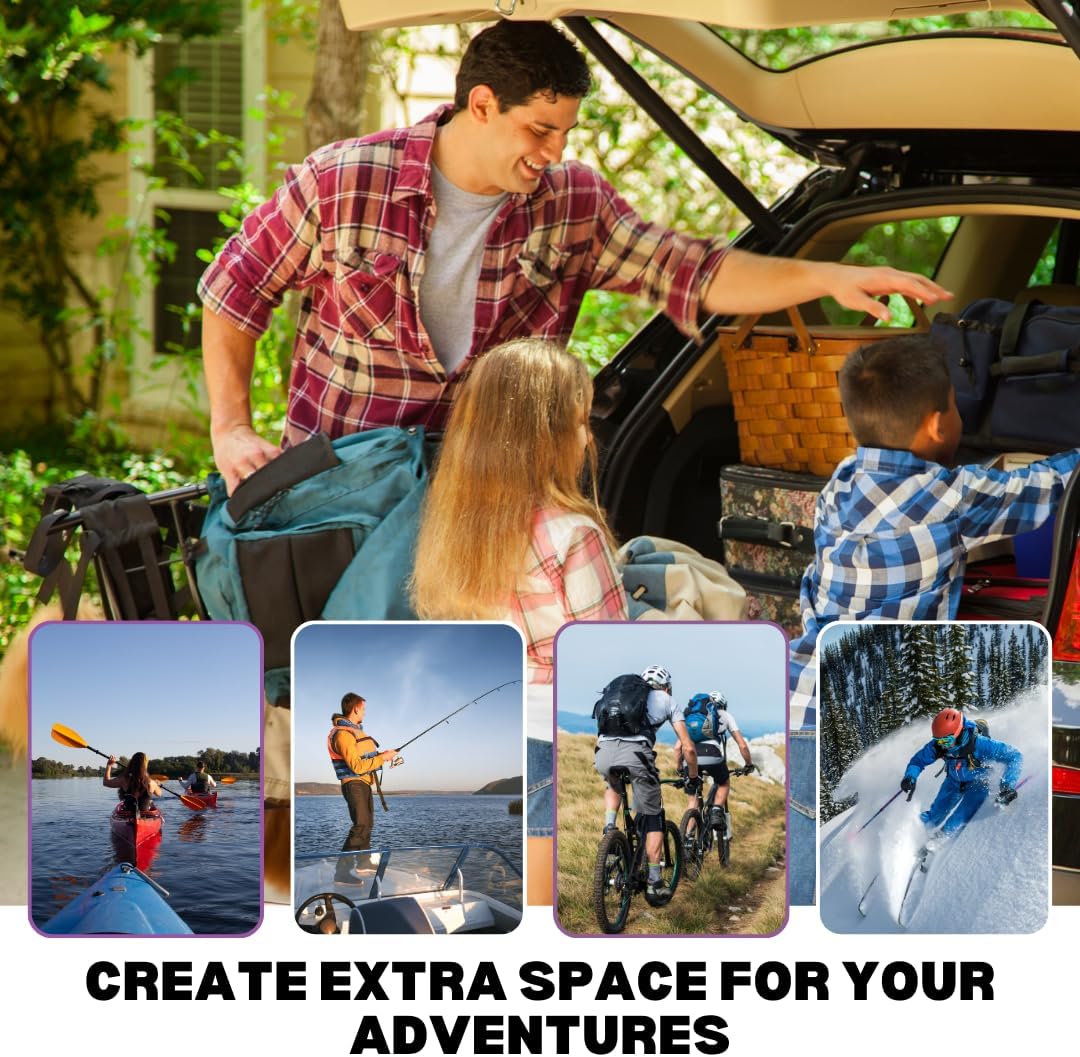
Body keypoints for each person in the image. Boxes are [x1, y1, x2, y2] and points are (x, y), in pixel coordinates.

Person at [197, 19, 951, 496]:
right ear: (482, 103)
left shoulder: (572, 205)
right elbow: (235, 291)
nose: (555, 152)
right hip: (338, 494)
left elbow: (696, 271)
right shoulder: (345, 181)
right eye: (540, 129)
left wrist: (831, 274)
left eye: (566, 132)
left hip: (484, 499)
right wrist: (230, 428)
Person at [786, 334, 1078, 902]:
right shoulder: (954, 495)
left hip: (802, 693)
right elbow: (1043, 486)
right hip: (860, 708)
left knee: (803, 859)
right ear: (939, 425)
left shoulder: (837, 486)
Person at [412, 337, 628, 905]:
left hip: (495, 721)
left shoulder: (457, 525)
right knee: (540, 873)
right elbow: (606, 654)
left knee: (505, 865)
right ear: (545, 437)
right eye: (580, 422)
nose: (588, 437)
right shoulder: (573, 534)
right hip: (551, 729)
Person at [594, 665, 699, 896]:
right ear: (666, 686)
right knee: (654, 819)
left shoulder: (619, 695)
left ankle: (609, 827)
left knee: (613, 783)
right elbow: (688, 748)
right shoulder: (666, 700)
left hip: (602, 753)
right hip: (636, 756)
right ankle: (654, 882)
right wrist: (692, 776)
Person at [900, 708, 1022, 842]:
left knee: (957, 819)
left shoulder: (980, 744)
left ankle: (935, 844)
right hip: (953, 782)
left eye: (946, 741)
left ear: (958, 732)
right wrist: (910, 776)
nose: (943, 746)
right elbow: (918, 761)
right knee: (935, 816)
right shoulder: (938, 745)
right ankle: (907, 834)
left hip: (978, 784)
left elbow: (1014, 756)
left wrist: (1007, 786)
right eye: (938, 741)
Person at [328, 692, 399, 884]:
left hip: (364, 783)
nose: (365, 713)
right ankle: (341, 873)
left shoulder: (353, 732)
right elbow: (357, 766)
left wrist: (382, 755)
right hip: (353, 784)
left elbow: (364, 760)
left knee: (367, 824)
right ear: (356, 708)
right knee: (360, 825)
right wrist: (382, 758)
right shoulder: (343, 734)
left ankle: (363, 862)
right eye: (364, 709)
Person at [674, 690, 753, 826]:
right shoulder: (725, 715)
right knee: (723, 782)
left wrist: (680, 768)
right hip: (712, 755)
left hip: (691, 758)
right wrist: (748, 764)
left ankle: (688, 840)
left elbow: (677, 748)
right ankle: (716, 810)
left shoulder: (691, 717)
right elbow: (742, 745)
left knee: (692, 802)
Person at [103, 752, 163, 818]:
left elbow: (106, 782)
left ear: (132, 763)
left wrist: (109, 765)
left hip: (128, 816)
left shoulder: (124, 780)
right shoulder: (151, 783)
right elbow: (159, 794)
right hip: (145, 816)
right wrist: (156, 785)